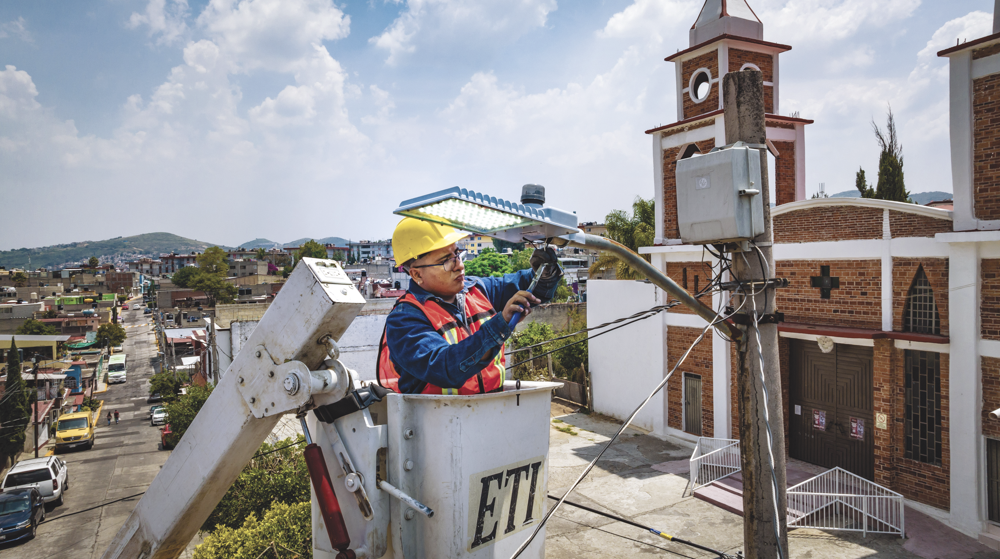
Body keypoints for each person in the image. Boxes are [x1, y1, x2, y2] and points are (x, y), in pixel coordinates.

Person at [378, 218, 562, 395]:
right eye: (447, 261)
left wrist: (544, 271)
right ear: (416, 274)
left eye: (457, 254)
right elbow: (446, 367)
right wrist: (500, 324)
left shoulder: (477, 290)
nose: (460, 266)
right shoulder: (404, 320)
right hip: (438, 421)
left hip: (491, 413)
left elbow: (529, 287)